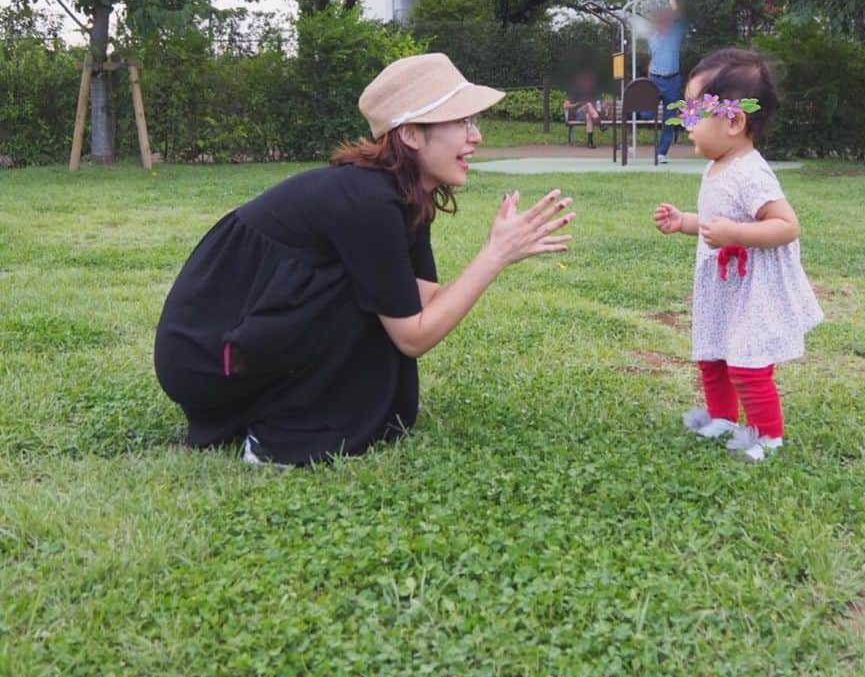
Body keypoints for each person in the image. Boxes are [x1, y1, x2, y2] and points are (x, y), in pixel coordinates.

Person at [154, 53, 575, 466]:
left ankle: (295, 415)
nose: (476, 136)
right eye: (461, 122)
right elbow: (413, 336)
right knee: (363, 295)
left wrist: (494, 254)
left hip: (237, 344)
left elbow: (424, 303)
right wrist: (494, 255)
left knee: (382, 298)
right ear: (411, 134)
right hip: (208, 358)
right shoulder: (366, 201)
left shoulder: (404, 196)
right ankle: (280, 441)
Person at [651, 48, 823, 462]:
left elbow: (786, 225)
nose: (686, 122)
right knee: (712, 353)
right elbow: (716, 219)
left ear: (733, 120)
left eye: (695, 112)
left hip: (752, 288)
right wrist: (686, 221)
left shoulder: (750, 171)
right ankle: (723, 418)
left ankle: (767, 436)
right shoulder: (718, 167)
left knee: (747, 364)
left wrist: (736, 234)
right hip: (723, 286)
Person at [646, 0, 687, 164]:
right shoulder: (652, 37)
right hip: (655, 78)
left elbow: (676, 12)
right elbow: (653, 58)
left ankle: (662, 152)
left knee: (670, 118)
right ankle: (628, 141)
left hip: (672, 80)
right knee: (646, 114)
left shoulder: (675, 33)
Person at [562, 70, 605, 148]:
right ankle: (600, 124)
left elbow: (600, 104)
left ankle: (590, 142)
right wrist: (576, 105)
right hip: (579, 114)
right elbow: (565, 106)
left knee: (589, 117)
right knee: (588, 105)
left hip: (592, 114)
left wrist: (603, 106)